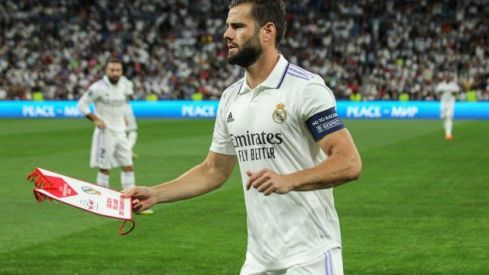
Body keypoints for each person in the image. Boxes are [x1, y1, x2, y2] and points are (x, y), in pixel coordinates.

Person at [122, 0, 361, 274]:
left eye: (237, 26)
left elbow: (349, 162)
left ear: (267, 31)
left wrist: (289, 180)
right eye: (227, 26)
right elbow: (213, 170)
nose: (226, 34)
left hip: (311, 256)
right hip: (259, 260)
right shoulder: (230, 98)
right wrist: (155, 193)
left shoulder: (305, 89)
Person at [78, 59, 153, 214]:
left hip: (121, 132)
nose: (115, 73)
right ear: (107, 70)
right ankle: (101, 204)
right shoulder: (98, 87)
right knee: (105, 169)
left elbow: (125, 105)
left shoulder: (126, 84)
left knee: (128, 166)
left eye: (118, 70)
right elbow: (82, 105)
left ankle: (130, 204)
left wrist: (127, 119)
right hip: (106, 133)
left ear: (122, 71)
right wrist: (96, 119)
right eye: (112, 70)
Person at [435, 73, 460, 141]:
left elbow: (456, 93)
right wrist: (442, 91)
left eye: (448, 77)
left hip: (451, 102)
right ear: (444, 78)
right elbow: (437, 92)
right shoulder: (441, 84)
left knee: (449, 116)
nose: (447, 78)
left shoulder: (453, 85)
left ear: (450, 78)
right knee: (444, 117)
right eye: (446, 77)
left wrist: (452, 91)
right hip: (443, 102)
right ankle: (447, 132)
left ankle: (448, 134)